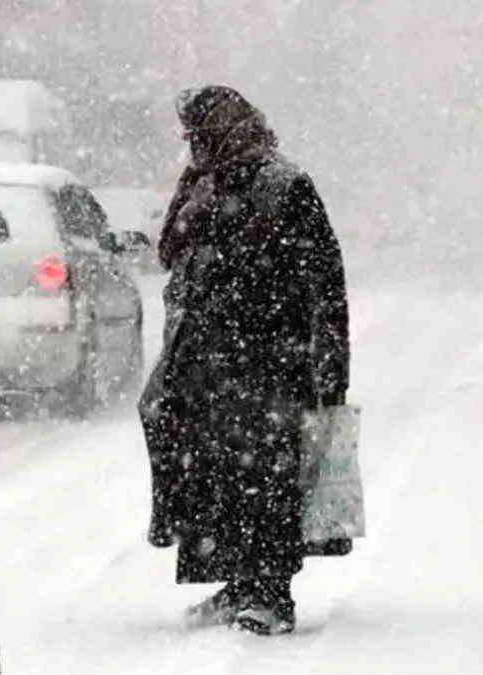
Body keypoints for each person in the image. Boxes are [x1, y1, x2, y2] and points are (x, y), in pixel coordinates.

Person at [139, 85, 351, 636]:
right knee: (211, 472)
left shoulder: (284, 185)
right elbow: (172, 253)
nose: (190, 148)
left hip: (269, 359)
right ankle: (237, 578)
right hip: (205, 359)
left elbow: (324, 283)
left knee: (264, 473)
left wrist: (329, 366)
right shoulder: (205, 182)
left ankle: (270, 592)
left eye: (196, 137)